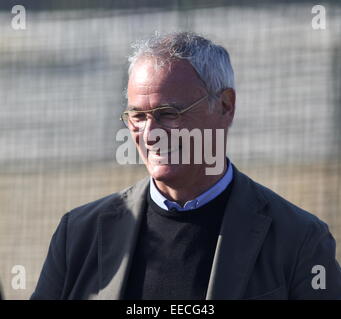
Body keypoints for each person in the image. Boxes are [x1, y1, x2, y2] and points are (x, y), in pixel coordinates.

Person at [31, 32, 341, 300]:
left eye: (169, 113)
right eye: (137, 116)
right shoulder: (79, 235)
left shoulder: (298, 239)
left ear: (225, 106)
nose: (150, 134)